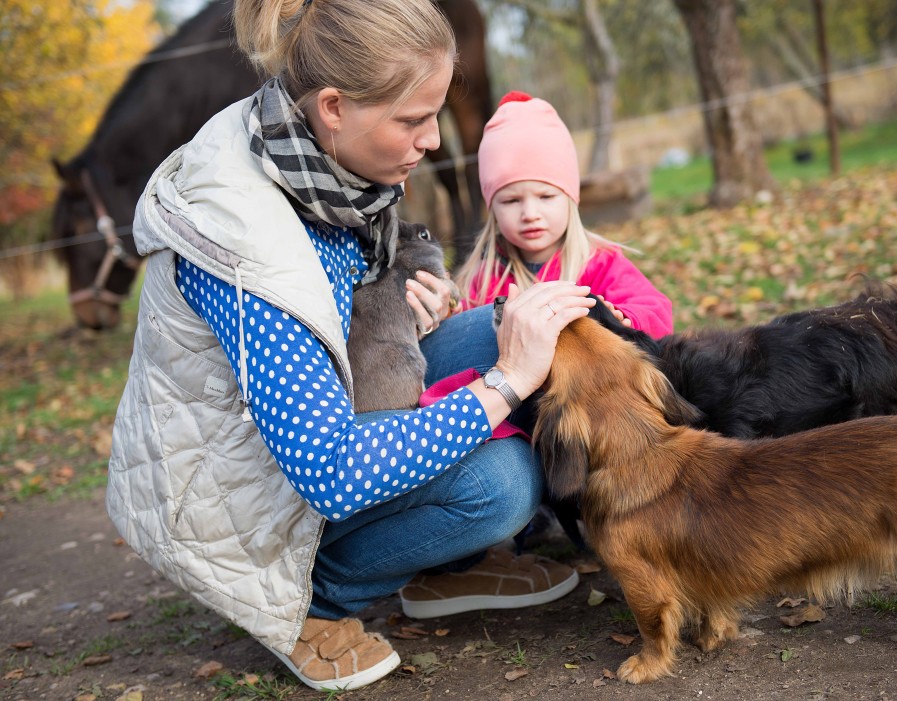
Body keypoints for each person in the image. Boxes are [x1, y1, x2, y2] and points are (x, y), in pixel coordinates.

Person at [105, 0, 595, 691]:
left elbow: (340, 322)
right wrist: (505, 385)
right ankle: (308, 603)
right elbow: (331, 468)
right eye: (413, 120)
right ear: (334, 106)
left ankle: (441, 564)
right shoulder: (246, 251)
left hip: (307, 431)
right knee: (505, 480)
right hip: (249, 507)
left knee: (497, 327)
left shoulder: (319, 161)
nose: (432, 139)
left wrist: (415, 316)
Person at [455, 91, 674, 338]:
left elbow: (657, 312)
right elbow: (460, 339)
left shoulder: (599, 263)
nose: (529, 213)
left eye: (546, 197)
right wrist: (445, 312)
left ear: (570, 199)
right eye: (511, 200)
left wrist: (625, 319)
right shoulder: (485, 281)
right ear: (492, 209)